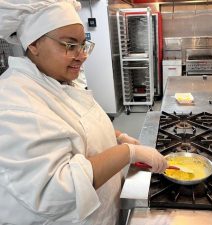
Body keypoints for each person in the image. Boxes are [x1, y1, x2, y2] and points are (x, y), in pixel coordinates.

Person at [0, 1, 168, 224]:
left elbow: (78, 125)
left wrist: (117, 136)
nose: (82, 55)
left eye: (83, 45)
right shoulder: (14, 102)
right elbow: (58, 191)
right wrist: (128, 153)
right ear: (33, 44)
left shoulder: (58, 80)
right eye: (69, 45)